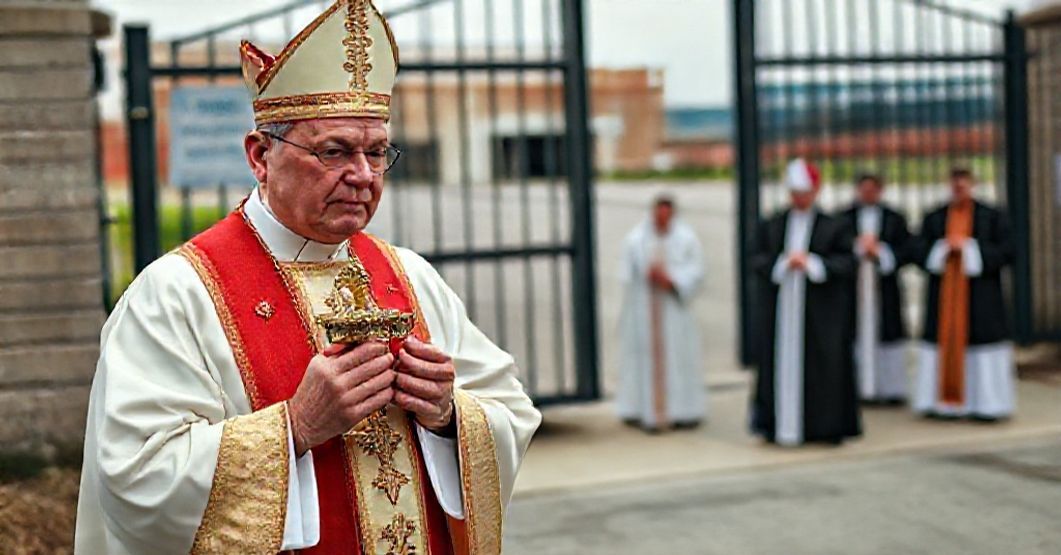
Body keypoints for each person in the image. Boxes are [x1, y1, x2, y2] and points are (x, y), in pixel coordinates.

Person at [74, 2, 541, 553]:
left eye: (375, 152)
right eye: (335, 151)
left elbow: (509, 411)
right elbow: (134, 476)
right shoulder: (177, 294)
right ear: (260, 155)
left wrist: (446, 416)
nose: (363, 175)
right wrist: (295, 426)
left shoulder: (408, 275)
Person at [750, 159, 861, 446]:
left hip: (820, 315)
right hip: (782, 313)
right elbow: (756, 258)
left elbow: (847, 262)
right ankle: (776, 425)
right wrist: (784, 263)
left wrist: (812, 263)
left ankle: (823, 427)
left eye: (805, 192)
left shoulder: (835, 226)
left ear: (815, 191)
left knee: (823, 367)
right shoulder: (774, 224)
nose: (799, 198)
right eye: (795, 192)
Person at [913, 168, 1016, 421]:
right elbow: (916, 250)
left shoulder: (991, 217)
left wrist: (969, 248)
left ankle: (987, 405)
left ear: (973, 185)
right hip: (944, 297)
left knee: (982, 346)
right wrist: (943, 248)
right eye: (955, 184)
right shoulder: (935, 217)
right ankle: (945, 404)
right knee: (942, 341)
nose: (959, 189)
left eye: (964, 184)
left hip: (981, 297)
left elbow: (1008, 251)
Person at [616, 195, 707, 432]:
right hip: (644, 311)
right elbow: (626, 273)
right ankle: (641, 409)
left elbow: (696, 271)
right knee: (643, 359)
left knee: (679, 360)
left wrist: (672, 280)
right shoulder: (636, 240)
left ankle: (684, 410)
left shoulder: (686, 239)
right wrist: (648, 275)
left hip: (675, 313)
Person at [839, 174, 913, 404]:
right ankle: (858, 389)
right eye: (864, 189)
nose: (868, 194)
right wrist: (859, 248)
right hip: (854, 288)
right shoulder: (843, 219)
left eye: (873, 190)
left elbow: (908, 249)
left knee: (888, 336)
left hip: (885, 288)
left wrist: (881, 252)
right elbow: (835, 248)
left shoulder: (894, 218)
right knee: (854, 335)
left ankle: (891, 389)